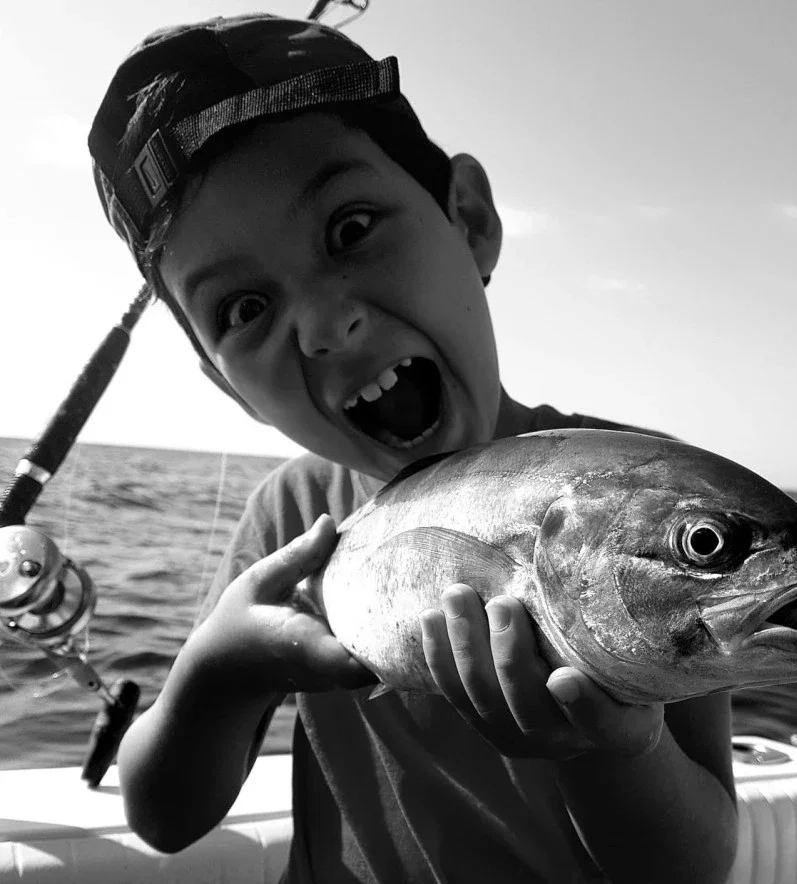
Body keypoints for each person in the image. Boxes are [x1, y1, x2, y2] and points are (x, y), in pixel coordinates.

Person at [89, 13, 738, 883]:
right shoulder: (293, 520)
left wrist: (615, 748)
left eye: (351, 228)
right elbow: (164, 821)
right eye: (244, 309)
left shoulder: (642, 501)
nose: (324, 324)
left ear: (468, 219)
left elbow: (691, 868)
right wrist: (218, 679)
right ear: (227, 387)